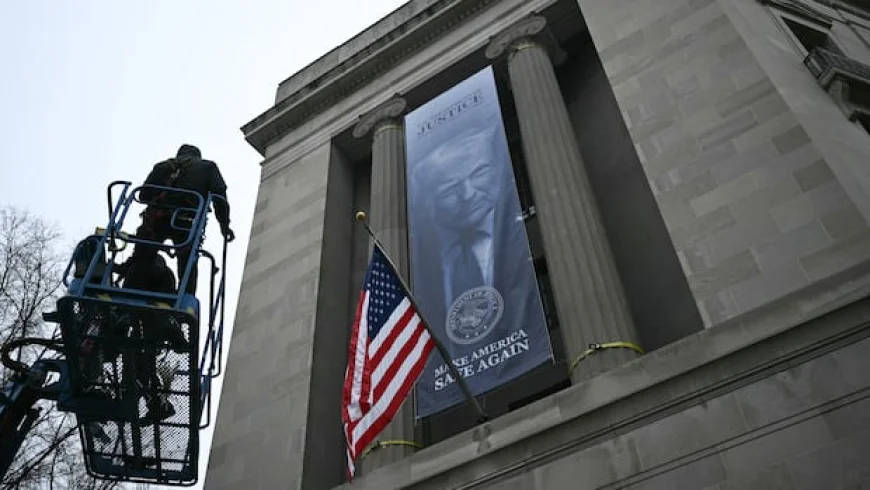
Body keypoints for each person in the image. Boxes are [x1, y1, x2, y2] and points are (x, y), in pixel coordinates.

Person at [120, 144, 235, 297]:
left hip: (154, 221)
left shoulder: (162, 166)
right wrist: (224, 226)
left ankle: (129, 291)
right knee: (187, 261)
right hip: (185, 222)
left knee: (142, 257)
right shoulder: (208, 167)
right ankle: (185, 298)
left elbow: (143, 195)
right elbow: (220, 198)